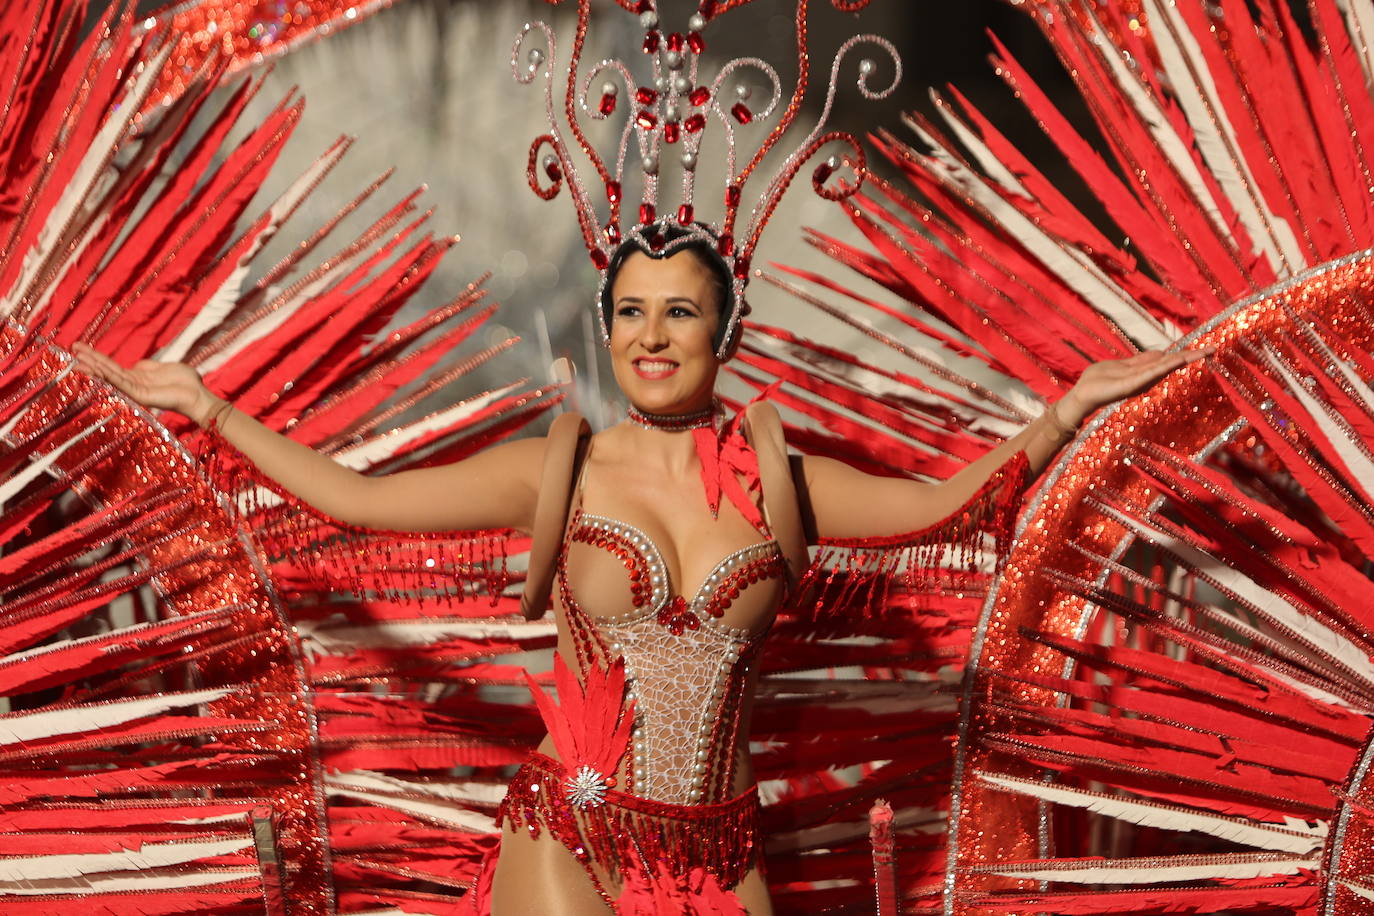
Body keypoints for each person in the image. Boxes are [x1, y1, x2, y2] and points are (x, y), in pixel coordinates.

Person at [74, 220, 1209, 912]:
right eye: (628, 313)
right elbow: (358, 501)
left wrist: (1067, 409)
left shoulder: (779, 481)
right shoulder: (558, 468)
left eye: (678, 313)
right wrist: (209, 406)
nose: (650, 337)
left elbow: (950, 506)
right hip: (572, 828)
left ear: (727, 333)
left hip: (720, 844)